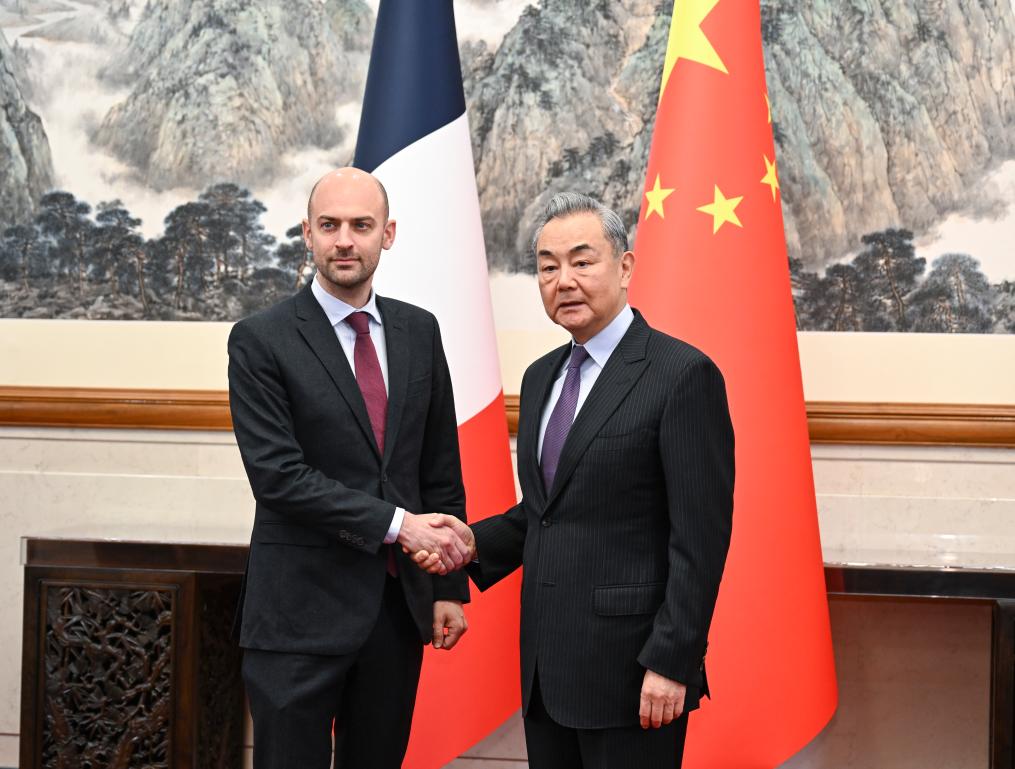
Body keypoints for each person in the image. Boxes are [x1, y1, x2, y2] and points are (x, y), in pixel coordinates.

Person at [415, 192, 735, 768]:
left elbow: (701, 538)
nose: (563, 281)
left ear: (625, 267)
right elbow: (546, 511)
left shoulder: (682, 375)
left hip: (635, 675)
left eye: (582, 262)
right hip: (546, 670)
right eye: (547, 267)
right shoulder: (542, 377)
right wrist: (468, 544)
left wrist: (672, 660)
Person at [228, 167, 473, 769]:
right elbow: (278, 477)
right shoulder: (260, 340)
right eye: (329, 225)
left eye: (361, 226)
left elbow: (438, 468)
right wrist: (400, 526)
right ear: (306, 233)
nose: (344, 240)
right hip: (296, 618)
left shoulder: (419, 330)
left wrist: (448, 587)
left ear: (387, 234)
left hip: (394, 612)